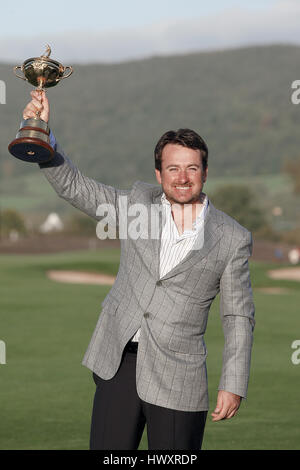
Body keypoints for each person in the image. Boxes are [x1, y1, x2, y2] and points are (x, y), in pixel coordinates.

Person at [22, 90, 255, 450]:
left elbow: (238, 316)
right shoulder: (136, 207)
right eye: (173, 168)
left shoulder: (232, 238)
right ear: (158, 174)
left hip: (180, 375)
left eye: (192, 168)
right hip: (119, 365)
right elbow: (76, 188)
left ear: (205, 172)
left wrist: (234, 383)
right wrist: (41, 133)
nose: (182, 177)